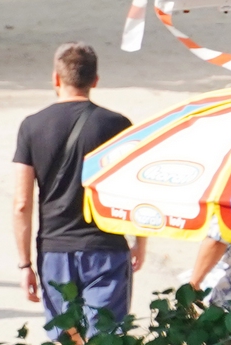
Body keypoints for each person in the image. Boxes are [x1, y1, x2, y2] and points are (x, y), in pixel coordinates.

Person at [12, 42, 140, 328]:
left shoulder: (31, 126)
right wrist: (139, 240)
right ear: (95, 80)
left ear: (56, 79)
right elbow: (131, 190)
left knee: (67, 341)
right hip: (106, 245)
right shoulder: (117, 124)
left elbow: (22, 203)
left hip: (55, 250)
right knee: (105, 341)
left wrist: (25, 265)